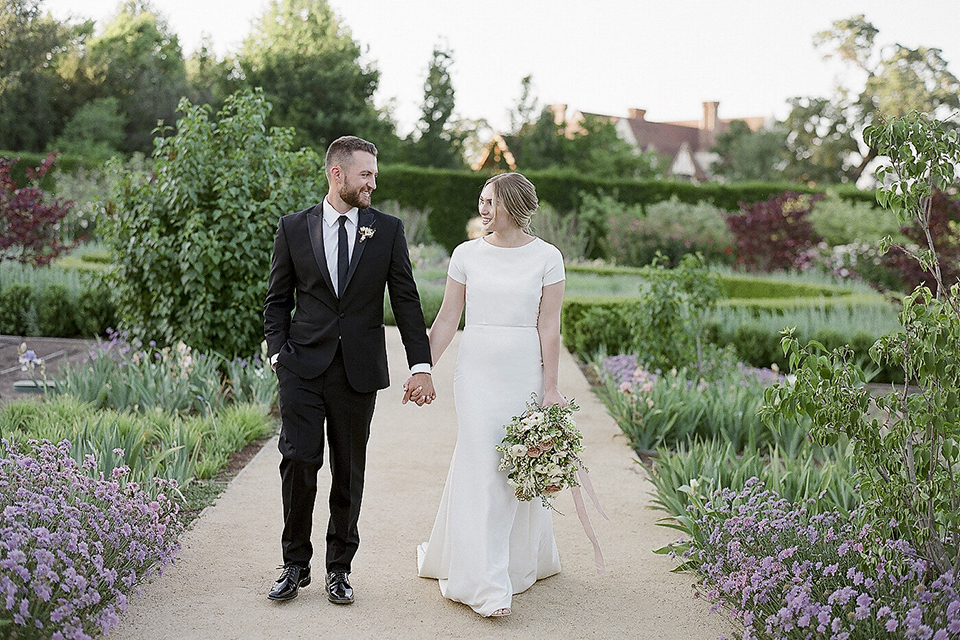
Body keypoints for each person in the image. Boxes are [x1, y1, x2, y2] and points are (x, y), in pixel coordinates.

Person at [263, 135, 436, 605]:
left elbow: (405, 300)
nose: (372, 184)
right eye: (366, 175)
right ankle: (294, 564)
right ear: (336, 174)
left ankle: (339, 568)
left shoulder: (387, 230)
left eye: (374, 176)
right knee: (299, 462)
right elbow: (277, 300)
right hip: (301, 367)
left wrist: (421, 364)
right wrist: (279, 354)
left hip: (357, 372)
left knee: (349, 469)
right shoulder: (293, 228)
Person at [417, 172, 566, 617]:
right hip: (477, 371)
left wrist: (551, 388)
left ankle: (518, 562)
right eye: (480, 200)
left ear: (514, 206)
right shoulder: (466, 254)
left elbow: (549, 326)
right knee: (483, 463)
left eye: (490, 202)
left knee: (513, 468)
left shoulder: (548, 257)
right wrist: (422, 367)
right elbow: (446, 319)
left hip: (523, 371)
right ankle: (484, 585)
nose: (482, 209)